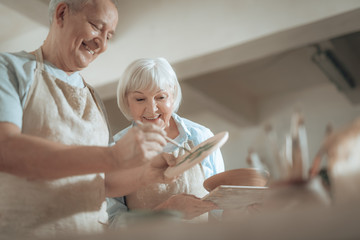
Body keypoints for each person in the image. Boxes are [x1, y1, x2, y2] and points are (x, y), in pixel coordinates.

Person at [0, 0, 174, 237]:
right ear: (62, 13)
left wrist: (148, 174)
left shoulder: (93, 98)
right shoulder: (9, 70)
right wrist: (113, 156)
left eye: (109, 36)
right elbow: (6, 150)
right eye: (95, 26)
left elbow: (103, 182)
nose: (101, 44)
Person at [106, 57, 225, 227]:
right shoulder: (116, 150)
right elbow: (113, 225)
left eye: (160, 97)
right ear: (127, 101)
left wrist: (244, 209)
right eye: (140, 99)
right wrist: (166, 212)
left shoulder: (201, 137)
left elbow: (220, 211)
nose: (152, 109)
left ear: (173, 94)